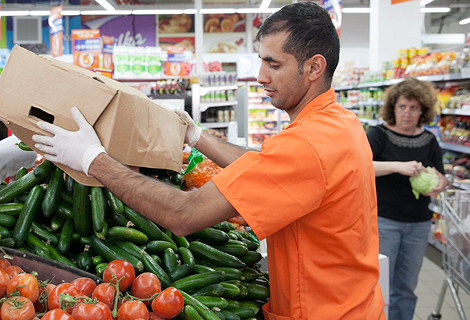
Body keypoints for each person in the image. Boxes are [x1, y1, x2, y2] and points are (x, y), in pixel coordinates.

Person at [32, 2, 386, 319]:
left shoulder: (309, 142)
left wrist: (93, 160)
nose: (261, 76)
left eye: (273, 64)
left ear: (313, 68)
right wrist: (196, 136)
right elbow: (264, 163)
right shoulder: (339, 122)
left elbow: (184, 215)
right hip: (352, 303)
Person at [366, 77, 448, 320]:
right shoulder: (378, 134)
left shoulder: (429, 140)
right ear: (393, 108)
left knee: (407, 287)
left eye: (414, 108)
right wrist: (398, 166)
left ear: (423, 110)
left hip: (419, 223)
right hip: (385, 221)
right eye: (402, 107)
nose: (408, 113)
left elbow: (442, 177)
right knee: (380, 285)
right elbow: (361, 166)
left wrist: (439, 183)